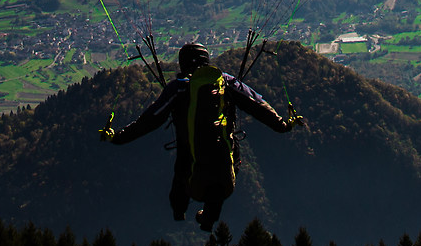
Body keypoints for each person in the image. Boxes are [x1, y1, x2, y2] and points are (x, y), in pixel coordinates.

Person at [102, 42, 303, 230]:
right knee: (224, 163)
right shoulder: (225, 82)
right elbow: (257, 105)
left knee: (184, 163)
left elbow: (151, 119)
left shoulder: (179, 87)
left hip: (190, 165)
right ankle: (208, 218)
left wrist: (119, 137)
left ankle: (179, 211)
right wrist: (283, 125)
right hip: (226, 169)